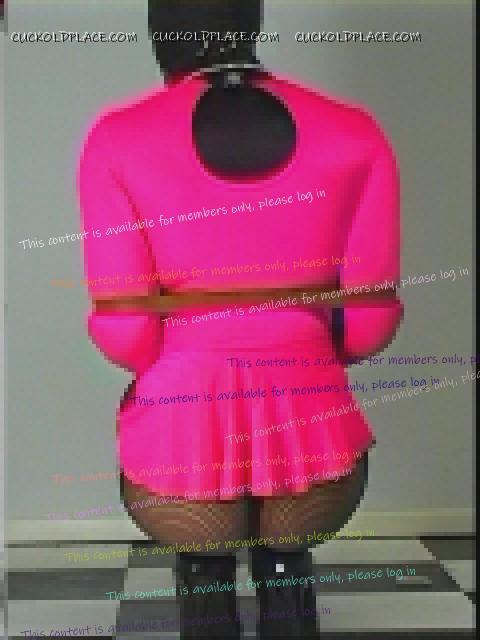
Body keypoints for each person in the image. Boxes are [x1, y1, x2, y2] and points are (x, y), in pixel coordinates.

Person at [77, 1, 403, 637]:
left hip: (182, 418)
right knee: (287, 557)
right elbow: (369, 323)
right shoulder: (355, 132)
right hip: (311, 411)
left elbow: (125, 330)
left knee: (203, 555)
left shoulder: (116, 139)